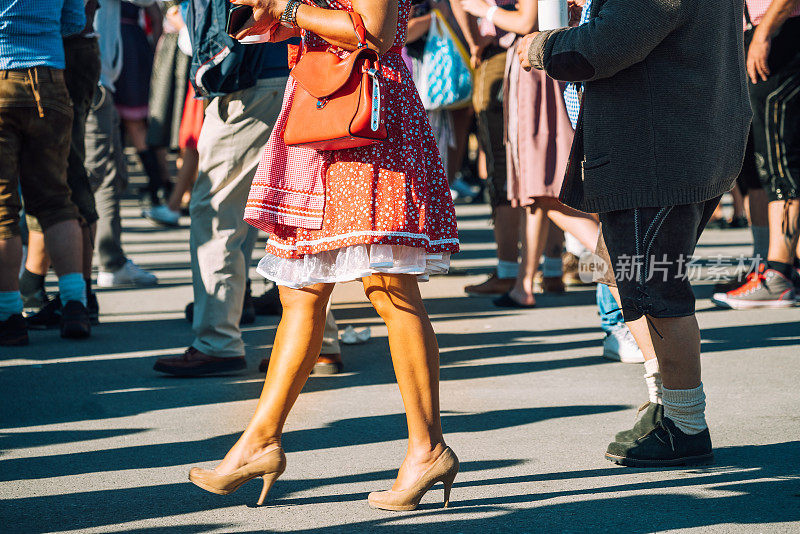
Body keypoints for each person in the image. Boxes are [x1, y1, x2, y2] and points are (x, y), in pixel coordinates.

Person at [187, 0, 460, 512]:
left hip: (365, 115)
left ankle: (427, 448)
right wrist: (265, 16)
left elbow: (373, 32)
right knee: (300, 291)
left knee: (389, 288)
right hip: (320, 109)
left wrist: (286, 7)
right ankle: (260, 440)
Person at [521, 0, 751, 466]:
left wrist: (542, 46)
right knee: (629, 278)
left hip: (659, 153)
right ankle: (666, 402)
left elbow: (602, 48)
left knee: (655, 290)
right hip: (675, 144)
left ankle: (685, 423)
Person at [151, 0, 291, 376]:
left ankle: (218, 341)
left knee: (217, 214)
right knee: (298, 214)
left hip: (248, 76)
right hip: (297, 70)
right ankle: (315, 343)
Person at [0, 0, 93, 345]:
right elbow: (74, 21)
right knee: (57, 200)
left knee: (2, 210)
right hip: (49, 77)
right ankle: (75, 305)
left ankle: (9, 314)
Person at [21, 0, 104, 330]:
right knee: (55, 175)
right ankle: (47, 286)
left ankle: (79, 295)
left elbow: (76, 16)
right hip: (63, 49)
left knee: (63, 176)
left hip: (61, 51)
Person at [712, 0, 800, 309]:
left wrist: (764, 34)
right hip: (757, 33)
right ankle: (773, 268)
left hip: (779, 33)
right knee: (759, 164)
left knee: (780, 163)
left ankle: (778, 275)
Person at [86, 0, 160, 288]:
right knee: (100, 175)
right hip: (89, 74)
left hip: (66, 71)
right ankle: (106, 265)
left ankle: (33, 274)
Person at [452, 0, 522, 297]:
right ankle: (553, 267)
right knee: (539, 169)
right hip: (538, 52)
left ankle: (508, 271)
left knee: (502, 168)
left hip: (501, 54)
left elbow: (459, 2)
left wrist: (474, 40)